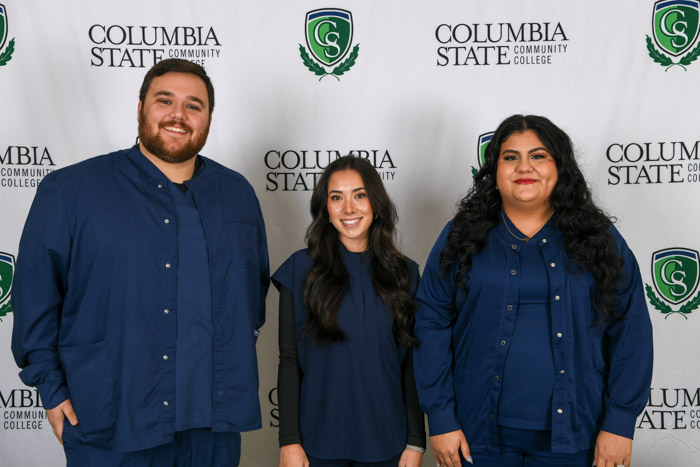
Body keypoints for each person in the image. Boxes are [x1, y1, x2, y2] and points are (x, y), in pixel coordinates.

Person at [11, 58, 269, 466]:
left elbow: (253, 296)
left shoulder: (237, 194)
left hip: (213, 428)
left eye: (193, 105)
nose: (178, 115)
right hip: (112, 422)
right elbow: (36, 297)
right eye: (164, 100)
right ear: (139, 108)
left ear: (209, 117)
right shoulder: (71, 191)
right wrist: (52, 388)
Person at [413, 115, 653, 467]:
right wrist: (441, 417)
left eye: (538, 156)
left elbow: (630, 329)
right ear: (494, 170)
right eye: (510, 157)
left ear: (560, 167)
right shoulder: (460, 235)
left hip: (576, 435)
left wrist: (620, 423)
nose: (524, 167)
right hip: (474, 437)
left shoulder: (599, 238)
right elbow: (431, 324)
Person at [272, 156, 426, 467]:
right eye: (336, 198)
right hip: (316, 444)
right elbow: (289, 360)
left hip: (388, 443)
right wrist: (289, 441)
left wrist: (416, 441)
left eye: (359, 195)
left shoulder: (405, 274)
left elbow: (411, 363)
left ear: (376, 203)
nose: (349, 208)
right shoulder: (300, 270)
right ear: (325, 209)